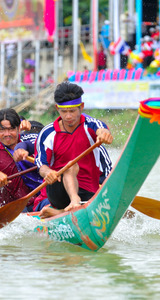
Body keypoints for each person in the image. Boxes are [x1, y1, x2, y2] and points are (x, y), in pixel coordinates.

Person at [35, 82, 113, 219]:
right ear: (57, 108)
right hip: (58, 191)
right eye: (64, 111)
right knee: (70, 165)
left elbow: (102, 129)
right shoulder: (47, 133)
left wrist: (104, 134)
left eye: (72, 111)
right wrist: (48, 172)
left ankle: (62, 213)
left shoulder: (91, 125)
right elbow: (41, 165)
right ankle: (74, 202)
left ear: (81, 107)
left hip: (89, 190)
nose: (68, 116)